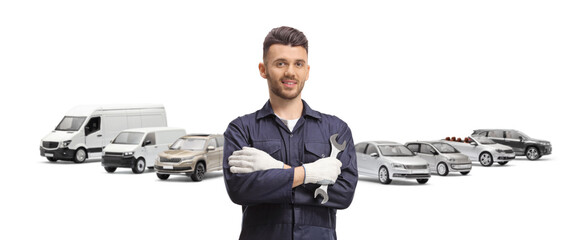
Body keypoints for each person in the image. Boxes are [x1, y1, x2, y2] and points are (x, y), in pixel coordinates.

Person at [223, 26, 358, 240]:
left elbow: (344, 194)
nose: (290, 72)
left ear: (307, 71)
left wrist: (275, 172)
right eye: (280, 63)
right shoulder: (241, 129)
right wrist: (310, 174)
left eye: (298, 64)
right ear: (263, 69)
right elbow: (240, 190)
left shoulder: (336, 129)